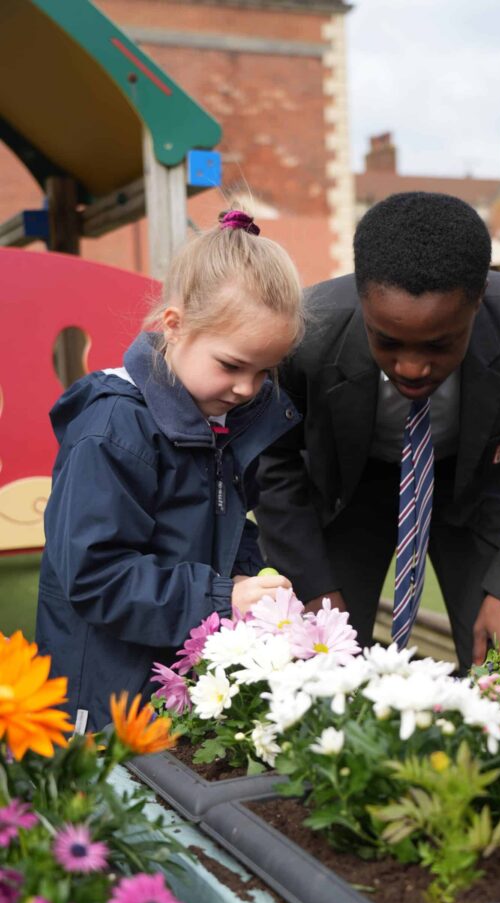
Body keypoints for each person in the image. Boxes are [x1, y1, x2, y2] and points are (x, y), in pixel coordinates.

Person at [255, 192, 500, 671]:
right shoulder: (307, 330)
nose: (411, 366)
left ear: (479, 301)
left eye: (439, 344)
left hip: (476, 486)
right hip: (348, 488)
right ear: (363, 299)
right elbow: (271, 458)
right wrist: (313, 583)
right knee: (317, 663)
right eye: (387, 340)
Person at [36, 210, 303, 730]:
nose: (248, 388)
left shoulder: (221, 417)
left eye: (264, 370)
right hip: (104, 694)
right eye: (231, 365)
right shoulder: (114, 429)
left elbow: (210, 527)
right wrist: (224, 598)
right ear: (174, 326)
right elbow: (96, 577)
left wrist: (248, 575)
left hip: (172, 676)